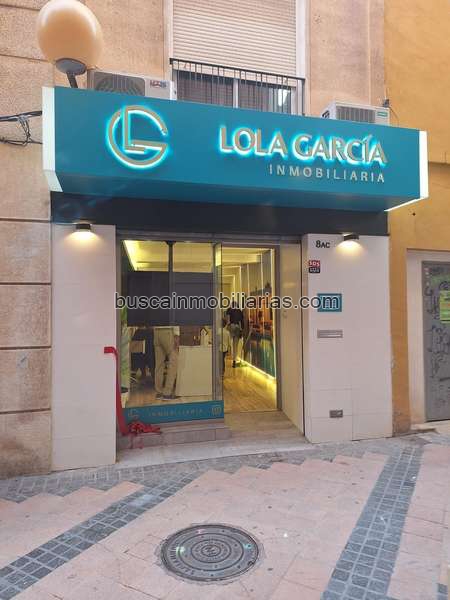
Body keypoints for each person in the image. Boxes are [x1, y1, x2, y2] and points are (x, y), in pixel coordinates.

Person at [153, 325, 180, 400]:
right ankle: (167, 393)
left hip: (156, 332)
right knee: (174, 361)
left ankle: (159, 392)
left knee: (159, 365)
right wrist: (177, 334)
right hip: (167, 330)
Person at [226, 301, 244, 367]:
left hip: (231, 326)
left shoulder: (229, 310)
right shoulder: (239, 311)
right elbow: (240, 322)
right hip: (237, 327)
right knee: (235, 345)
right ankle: (234, 361)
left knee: (228, 342)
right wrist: (241, 330)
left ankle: (226, 353)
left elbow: (228, 320)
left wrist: (228, 325)